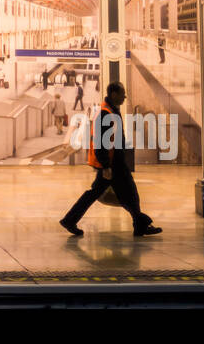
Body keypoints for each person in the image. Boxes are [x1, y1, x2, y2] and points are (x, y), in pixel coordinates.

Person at [59, 82, 162, 238]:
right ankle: (140, 224)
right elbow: (101, 141)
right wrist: (106, 166)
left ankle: (139, 223)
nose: (124, 97)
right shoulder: (106, 113)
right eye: (122, 94)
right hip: (112, 163)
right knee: (128, 193)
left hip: (114, 162)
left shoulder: (110, 111)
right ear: (114, 94)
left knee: (120, 194)